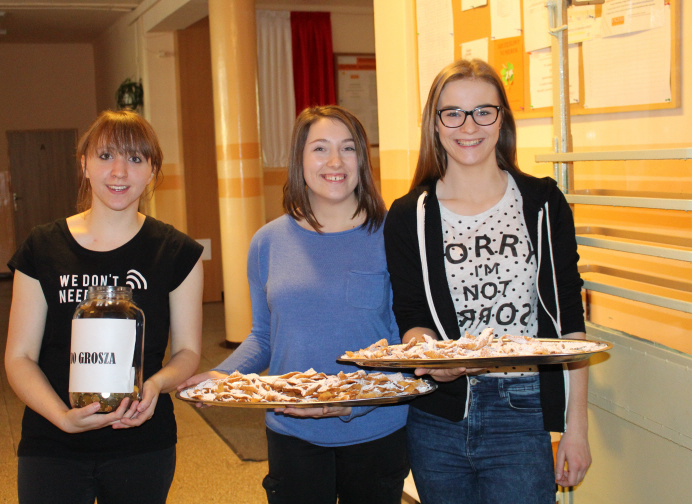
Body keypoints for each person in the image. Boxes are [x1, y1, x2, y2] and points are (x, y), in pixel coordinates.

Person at [383, 59, 591, 504]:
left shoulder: (542, 203)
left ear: (502, 119)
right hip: (438, 414)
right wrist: (433, 356)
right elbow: (411, 315)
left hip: (523, 407)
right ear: (434, 123)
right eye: (453, 113)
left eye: (483, 111)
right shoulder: (409, 215)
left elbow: (570, 321)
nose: (468, 126)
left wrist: (576, 428)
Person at [181, 105, 409, 504]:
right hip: (293, 430)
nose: (335, 162)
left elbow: (407, 348)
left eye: (348, 148)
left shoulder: (393, 235)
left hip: (374, 429)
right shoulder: (268, 242)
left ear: (362, 160)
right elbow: (264, 336)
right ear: (299, 160)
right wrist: (224, 375)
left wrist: (347, 405)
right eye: (320, 148)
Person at [4, 110, 204, 504]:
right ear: (84, 164)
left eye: (135, 158)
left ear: (152, 170)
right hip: (51, 440)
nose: (119, 172)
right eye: (106, 155)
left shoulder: (176, 252)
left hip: (141, 441)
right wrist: (61, 417)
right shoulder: (43, 247)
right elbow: (19, 357)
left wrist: (155, 385)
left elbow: (187, 351)